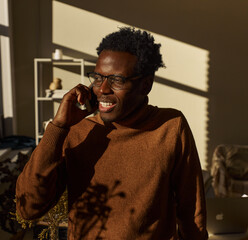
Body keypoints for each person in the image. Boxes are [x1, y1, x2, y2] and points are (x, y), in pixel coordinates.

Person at [16, 27, 208, 240]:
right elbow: (29, 208)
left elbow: (192, 211)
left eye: (117, 80)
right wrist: (58, 127)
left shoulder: (170, 126)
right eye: (97, 78)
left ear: (145, 85)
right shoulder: (78, 132)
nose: (102, 89)